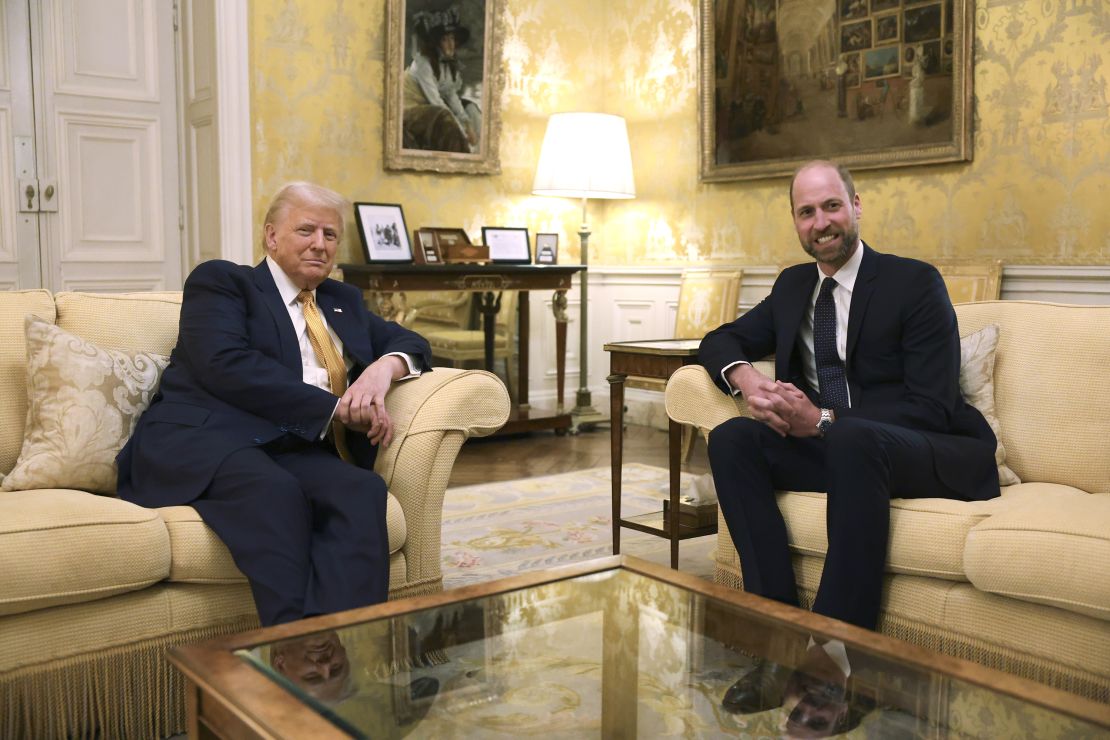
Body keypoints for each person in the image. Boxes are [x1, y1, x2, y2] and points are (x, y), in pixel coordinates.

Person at [699, 161, 998, 735]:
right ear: (796, 221)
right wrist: (745, 378)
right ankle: (779, 647)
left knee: (853, 435)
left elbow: (933, 404)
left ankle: (840, 665)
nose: (821, 222)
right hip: (842, 451)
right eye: (807, 212)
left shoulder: (914, 282)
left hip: (930, 449)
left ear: (856, 206)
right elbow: (722, 338)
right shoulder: (794, 286)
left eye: (831, 206)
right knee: (735, 437)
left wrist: (826, 418)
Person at [116, 181, 432, 627]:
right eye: (306, 230)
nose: (319, 245)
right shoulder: (224, 283)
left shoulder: (341, 301)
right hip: (208, 440)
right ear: (270, 237)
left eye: (330, 235)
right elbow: (226, 365)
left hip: (289, 446)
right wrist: (336, 408)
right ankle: (297, 650)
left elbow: (410, 342)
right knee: (275, 494)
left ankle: (353, 647)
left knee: (362, 491)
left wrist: (384, 370)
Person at [402, 7, 480, 153]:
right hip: (410, 109)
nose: (451, 44)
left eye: (452, 39)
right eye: (445, 40)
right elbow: (436, 102)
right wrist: (464, 133)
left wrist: (467, 123)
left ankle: (478, 151)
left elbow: (451, 95)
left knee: (472, 109)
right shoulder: (423, 63)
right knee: (444, 116)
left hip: (429, 105)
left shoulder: (446, 63)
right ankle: (465, 149)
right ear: (436, 43)